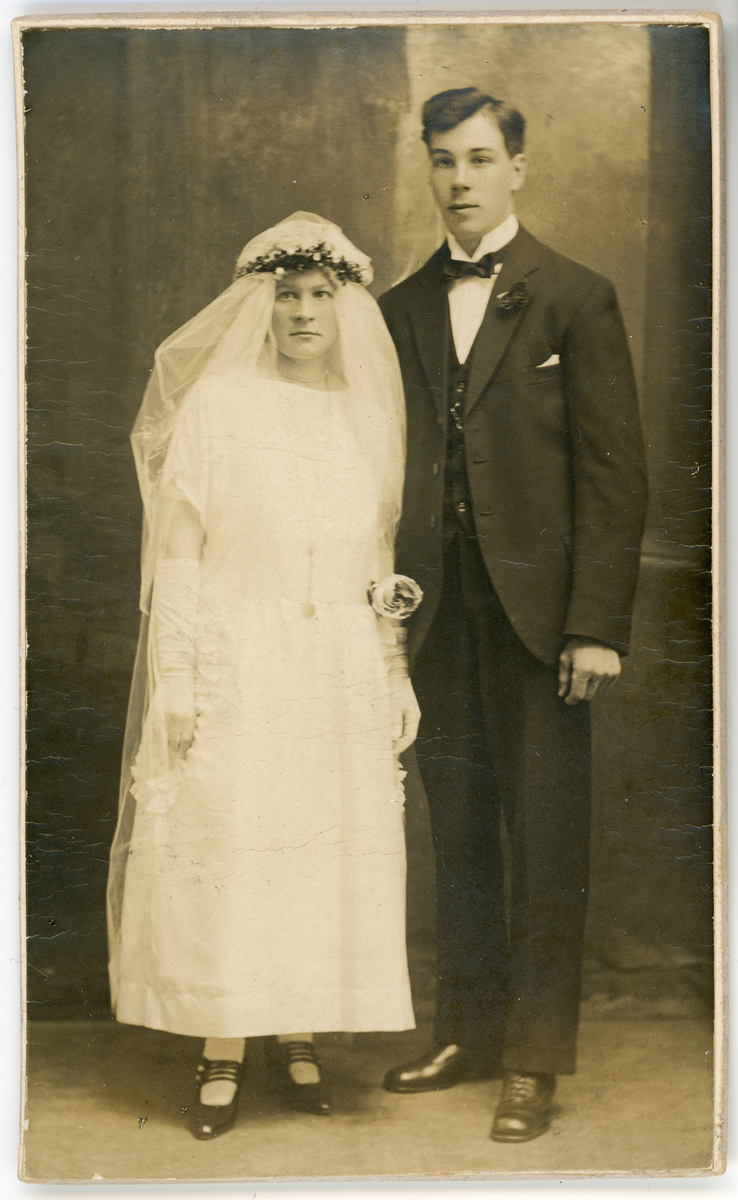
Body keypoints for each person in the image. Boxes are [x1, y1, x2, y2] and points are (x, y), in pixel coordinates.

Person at [107, 213, 422, 1140]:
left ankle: (299, 1028)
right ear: (261, 304)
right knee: (239, 845)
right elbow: (183, 555)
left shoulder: (365, 417)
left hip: (334, 669)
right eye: (286, 294)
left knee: (318, 846)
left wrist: (393, 669)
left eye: (321, 294)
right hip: (240, 657)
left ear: (346, 306)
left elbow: (378, 560)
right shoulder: (219, 406)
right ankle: (223, 1043)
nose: (303, 311)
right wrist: (176, 675)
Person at [379, 89, 648, 1142]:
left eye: (480, 159)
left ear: (517, 169)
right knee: (458, 834)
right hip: (439, 612)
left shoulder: (576, 296)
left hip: (543, 621)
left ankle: (532, 1061)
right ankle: (469, 1032)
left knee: (543, 839)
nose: (460, 180)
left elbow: (615, 477)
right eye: (443, 161)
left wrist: (596, 625)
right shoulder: (399, 306)